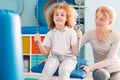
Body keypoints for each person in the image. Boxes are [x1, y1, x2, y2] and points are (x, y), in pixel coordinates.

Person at [34, 2, 78, 80]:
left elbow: (75, 53)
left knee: (63, 69)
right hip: (54, 57)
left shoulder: (71, 32)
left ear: (67, 18)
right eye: (56, 14)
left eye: (62, 15)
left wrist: (78, 39)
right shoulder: (50, 33)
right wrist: (39, 43)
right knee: (48, 69)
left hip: (69, 58)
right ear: (53, 17)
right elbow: (46, 54)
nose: (59, 17)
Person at [77, 5, 120, 80]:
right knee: (102, 75)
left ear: (109, 22)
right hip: (100, 70)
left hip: (116, 69)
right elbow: (76, 47)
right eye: (96, 17)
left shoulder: (116, 36)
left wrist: (90, 67)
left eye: (101, 19)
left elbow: (109, 60)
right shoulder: (90, 33)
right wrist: (78, 38)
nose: (97, 21)